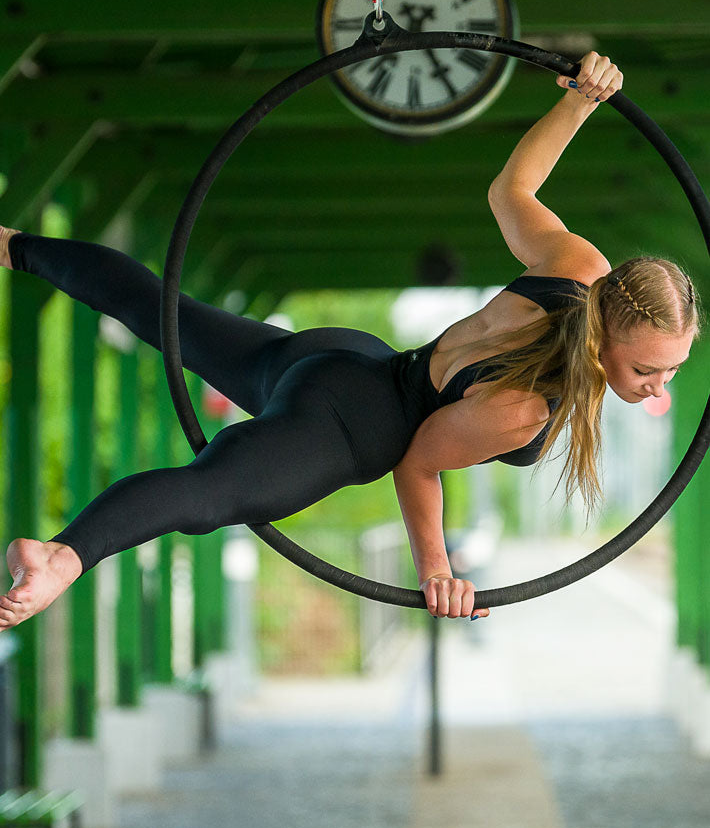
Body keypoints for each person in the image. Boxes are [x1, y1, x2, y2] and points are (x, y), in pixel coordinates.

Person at [0, 52, 700, 630]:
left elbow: (511, 187)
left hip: (346, 357)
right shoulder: (527, 406)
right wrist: (437, 572)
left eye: (671, 372)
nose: (654, 387)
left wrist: (577, 103)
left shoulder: (580, 267)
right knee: (212, 496)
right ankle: (61, 557)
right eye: (647, 369)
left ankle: (14, 247)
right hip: (348, 425)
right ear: (608, 332)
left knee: (161, 312)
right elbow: (419, 464)